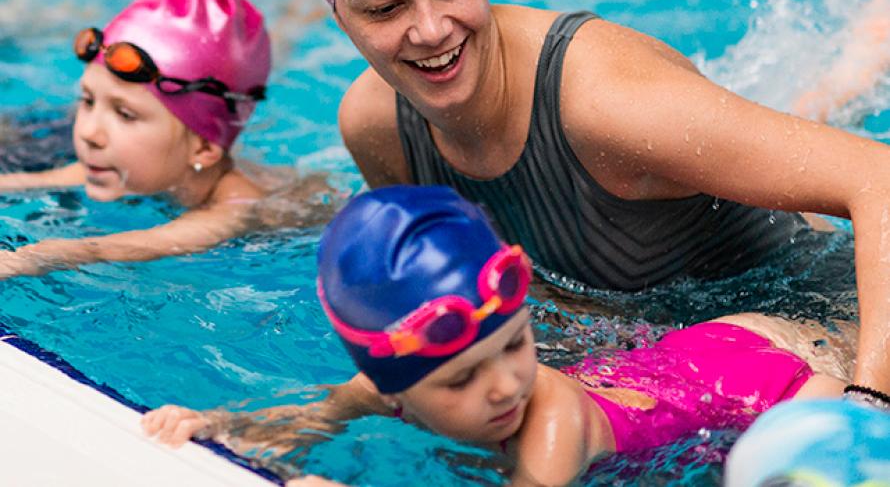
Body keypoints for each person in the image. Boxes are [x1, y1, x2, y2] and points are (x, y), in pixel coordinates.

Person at [299, 0, 890, 396]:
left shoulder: (604, 104)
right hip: (659, 340)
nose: (430, 30)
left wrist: (869, 409)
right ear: (338, 13)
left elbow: (877, 177)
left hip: (826, 314)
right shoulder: (376, 127)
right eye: (385, 9)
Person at [142, 186, 855, 487]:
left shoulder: (550, 426)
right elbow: (308, 419)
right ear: (395, 384)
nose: (508, 382)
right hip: (701, 354)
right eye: (460, 378)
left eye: (515, 343)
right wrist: (218, 423)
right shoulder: (385, 385)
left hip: (782, 384)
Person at [0, 0, 317, 278]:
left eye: (125, 114)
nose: (88, 133)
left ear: (204, 148)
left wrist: (27, 258)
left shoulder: (236, 206)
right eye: (87, 100)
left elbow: (146, 243)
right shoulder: (121, 162)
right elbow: (40, 180)